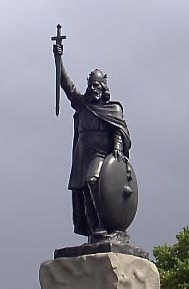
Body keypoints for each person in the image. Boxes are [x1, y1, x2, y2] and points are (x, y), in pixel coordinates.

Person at [53, 44, 132, 239]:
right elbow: (66, 84)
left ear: (103, 88)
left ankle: (106, 224)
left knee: (93, 180)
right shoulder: (82, 105)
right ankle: (94, 229)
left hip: (100, 155)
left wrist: (117, 147)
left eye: (97, 85)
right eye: (91, 85)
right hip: (82, 155)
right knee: (82, 191)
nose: (93, 88)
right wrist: (59, 60)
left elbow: (118, 131)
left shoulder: (113, 109)